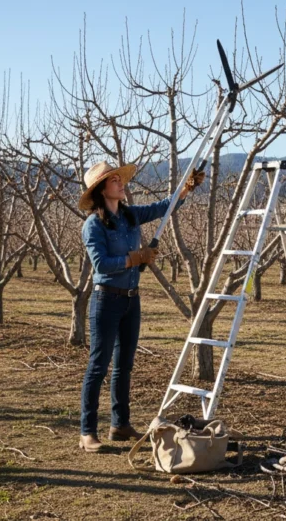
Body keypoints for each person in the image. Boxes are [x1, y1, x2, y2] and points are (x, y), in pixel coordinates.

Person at [77, 161, 204, 452]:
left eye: (121, 179)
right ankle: (87, 432)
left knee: (124, 366)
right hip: (106, 300)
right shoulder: (93, 225)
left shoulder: (129, 216)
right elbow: (102, 265)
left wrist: (185, 190)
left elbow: (163, 208)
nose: (122, 184)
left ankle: (120, 425)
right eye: (115, 181)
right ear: (101, 190)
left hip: (131, 299)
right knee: (98, 366)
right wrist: (137, 258)